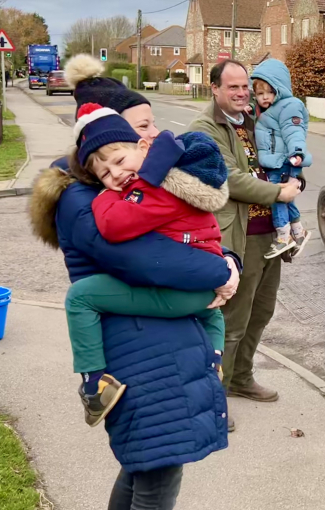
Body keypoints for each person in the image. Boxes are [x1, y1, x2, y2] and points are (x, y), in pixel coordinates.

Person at [29, 53, 238, 509]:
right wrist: (223, 270)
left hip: (158, 348)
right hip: (146, 357)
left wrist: (225, 259)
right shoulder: (95, 202)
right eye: (140, 127)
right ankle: (92, 380)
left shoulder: (122, 189)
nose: (152, 136)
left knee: (145, 467)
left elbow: (189, 234)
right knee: (157, 476)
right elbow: (159, 263)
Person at [62, 103, 232, 427]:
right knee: (213, 311)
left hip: (182, 291)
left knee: (80, 297)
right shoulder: (170, 180)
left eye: (120, 162)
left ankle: (95, 385)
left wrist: (103, 197)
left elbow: (114, 225)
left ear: (143, 147)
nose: (117, 175)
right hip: (201, 286)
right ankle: (215, 359)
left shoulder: (156, 190)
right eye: (105, 175)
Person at [189, 59, 302, 431]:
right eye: (233, 87)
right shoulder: (205, 128)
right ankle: (213, 398)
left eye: (245, 87)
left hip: (270, 232)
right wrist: (279, 191)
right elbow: (230, 178)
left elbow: (284, 150)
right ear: (215, 89)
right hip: (238, 238)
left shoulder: (257, 120)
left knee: (262, 311)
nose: (242, 93)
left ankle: (241, 378)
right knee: (231, 322)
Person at [250, 59, 312, 259]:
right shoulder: (270, 109)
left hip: (285, 160)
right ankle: (298, 231)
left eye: (269, 92)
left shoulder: (289, 106)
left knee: (277, 196)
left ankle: (283, 237)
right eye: (260, 94)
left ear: (280, 89)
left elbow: (294, 131)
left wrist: (297, 153)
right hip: (276, 161)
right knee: (286, 199)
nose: (264, 97)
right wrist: (252, 111)